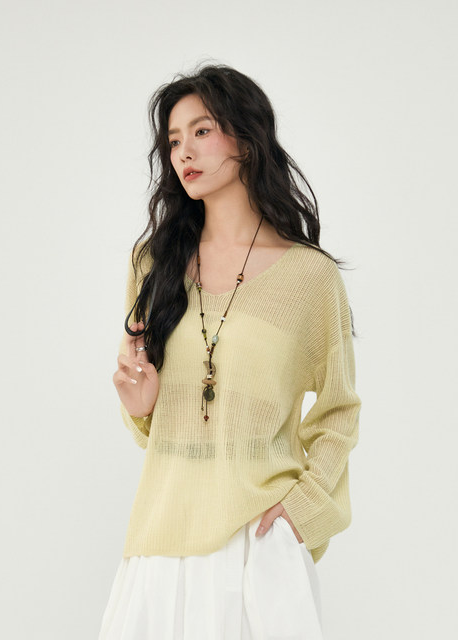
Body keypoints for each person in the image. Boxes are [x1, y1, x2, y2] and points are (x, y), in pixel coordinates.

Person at [98, 63, 362, 640]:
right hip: (161, 542)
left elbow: (338, 412)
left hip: (260, 544)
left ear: (246, 138)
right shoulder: (153, 263)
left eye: (201, 131)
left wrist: (301, 512)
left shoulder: (310, 279)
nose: (184, 152)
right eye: (173, 140)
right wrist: (142, 406)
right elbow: (149, 425)